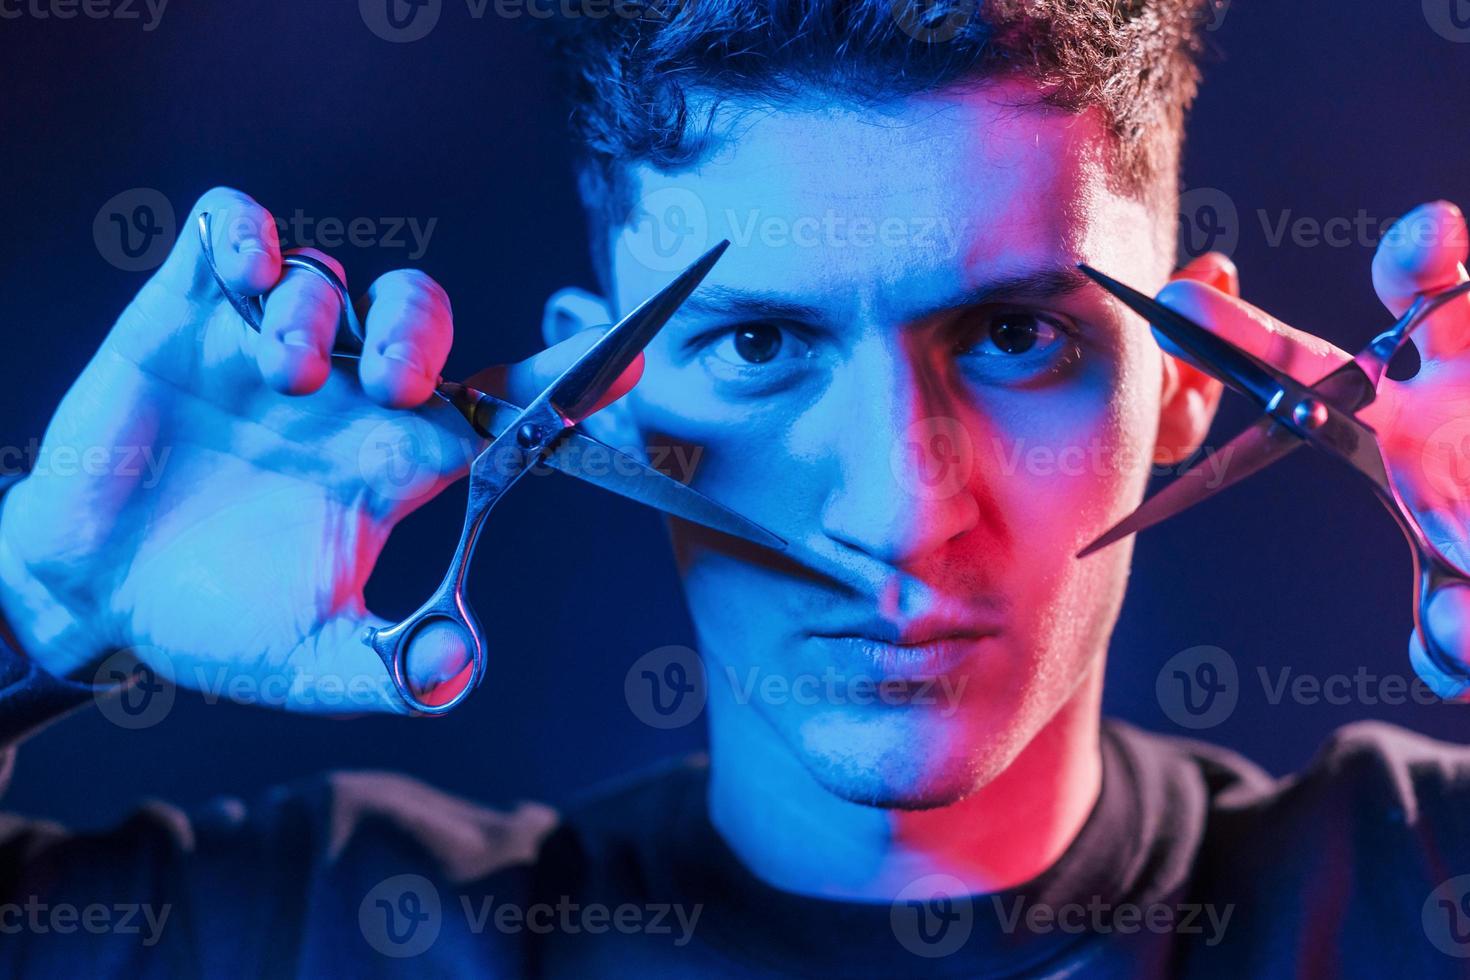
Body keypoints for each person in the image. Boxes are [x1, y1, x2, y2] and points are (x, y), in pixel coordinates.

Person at [3, 1, 1470, 975]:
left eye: (1015, 338)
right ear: (603, 405)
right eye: (761, 342)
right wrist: (34, 612)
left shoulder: (1422, 885)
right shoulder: (320, 932)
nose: (902, 510)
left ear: (1190, 374)